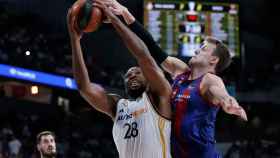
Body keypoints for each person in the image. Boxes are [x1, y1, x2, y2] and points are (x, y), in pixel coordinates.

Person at [97, 1, 248, 157]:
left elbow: (220, 93)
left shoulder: (210, 80)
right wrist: (125, 13)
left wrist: (229, 102)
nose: (196, 49)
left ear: (213, 60)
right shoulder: (180, 71)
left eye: (203, 49)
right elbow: (151, 46)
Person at [67, 1, 172, 158]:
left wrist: (114, 19)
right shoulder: (118, 106)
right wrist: (75, 40)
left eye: (136, 72)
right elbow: (84, 87)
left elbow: (143, 56)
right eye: (128, 75)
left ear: (149, 78)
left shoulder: (160, 96)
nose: (131, 76)